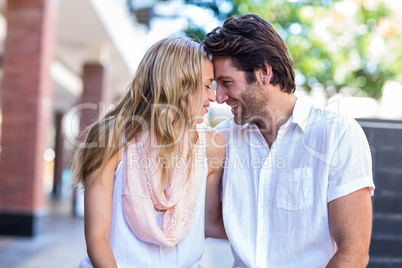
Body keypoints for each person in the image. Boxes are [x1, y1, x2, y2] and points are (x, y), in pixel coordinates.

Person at [204, 14, 375, 267]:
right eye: (216, 85)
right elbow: (211, 223)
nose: (218, 97)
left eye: (227, 83)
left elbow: (353, 253)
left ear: (264, 72)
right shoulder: (223, 140)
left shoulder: (337, 135)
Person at [72, 36, 225, 267]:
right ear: (178, 84)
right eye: (206, 85)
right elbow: (97, 238)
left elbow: (210, 223)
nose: (213, 96)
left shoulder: (212, 146)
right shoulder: (110, 140)